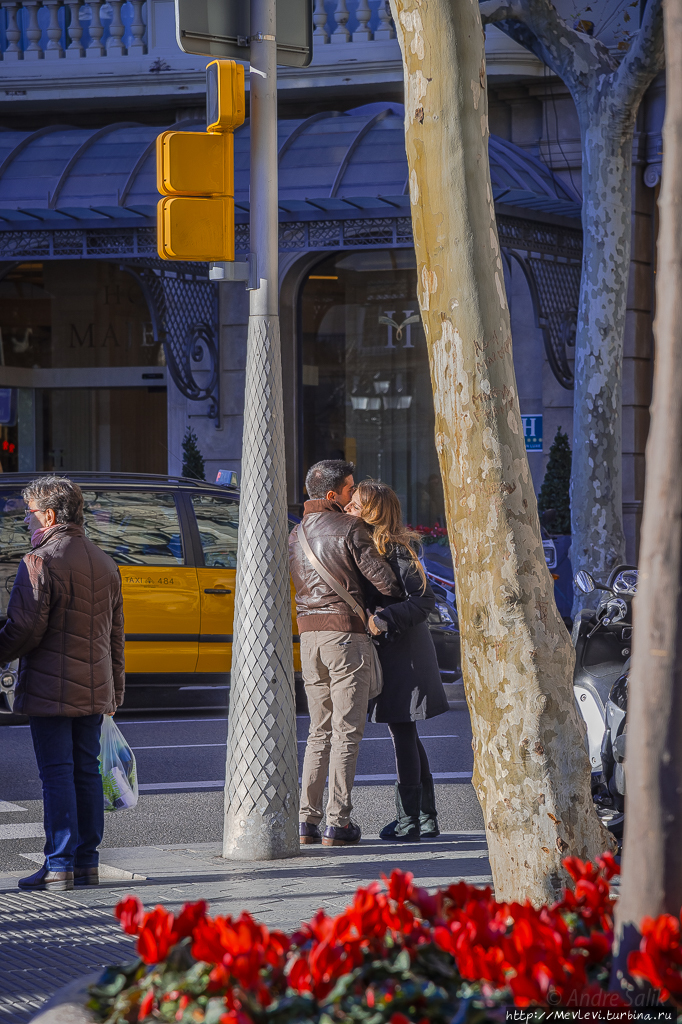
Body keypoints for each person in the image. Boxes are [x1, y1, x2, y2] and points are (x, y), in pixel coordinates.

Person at [0, 475, 125, 891]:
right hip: (94, 685)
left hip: (50, 688)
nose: (27, 522)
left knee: (56, 775)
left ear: (50, 515)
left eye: (30, 513)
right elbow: (115, 635)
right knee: (86, 773)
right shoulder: (105, 562)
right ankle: (86, 860)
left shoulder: (40, 561)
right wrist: (115, 689)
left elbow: (23, 630)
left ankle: (58, 865)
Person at [289, 459, 401, 847]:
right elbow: (386, 584)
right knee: (347, 733)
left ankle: (306, 821)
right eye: (351, 489)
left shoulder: (295, 534)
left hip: (309, 639)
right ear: (334, 494)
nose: (356, 495)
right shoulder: (350, 528)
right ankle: (339, 823)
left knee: (317, 731)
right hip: (345, 638)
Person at [345, 479, 449, 842]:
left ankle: (409, 822)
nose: (348, 509)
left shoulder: (397, 548)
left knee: (402, 731)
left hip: (404, 653)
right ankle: (426, 817)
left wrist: (382, 620)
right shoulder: (375, 545)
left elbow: (424, 601)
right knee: (406, 731)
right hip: (397, 650)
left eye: (355, 505)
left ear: (372, 511)